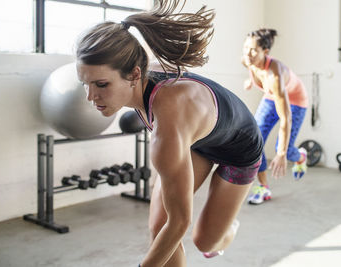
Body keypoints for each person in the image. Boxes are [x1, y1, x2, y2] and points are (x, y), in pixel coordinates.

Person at [75, 1, 263, 266]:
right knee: (159, 227)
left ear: (134, 74)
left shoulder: (168, 120)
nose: (90, 96)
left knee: (204, 241)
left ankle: (228, 228)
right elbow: (171, 225)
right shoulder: (137, 76)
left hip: (239, 149)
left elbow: (181, 222)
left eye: (101, 84)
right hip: (196, 140)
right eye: (85, 83)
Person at [242, 29, 308, 205]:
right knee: (254, 141)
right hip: (270, 97)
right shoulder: (248, 60)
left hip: (296, 102)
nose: (248, 53)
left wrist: (281, 153)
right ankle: (264, 187)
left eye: (254, 50)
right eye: (246, 47)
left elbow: (285, 118)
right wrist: (251, 82)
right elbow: (252, 71)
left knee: (284, 147)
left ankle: (300, 157)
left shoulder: (274, 75)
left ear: (266, 52)